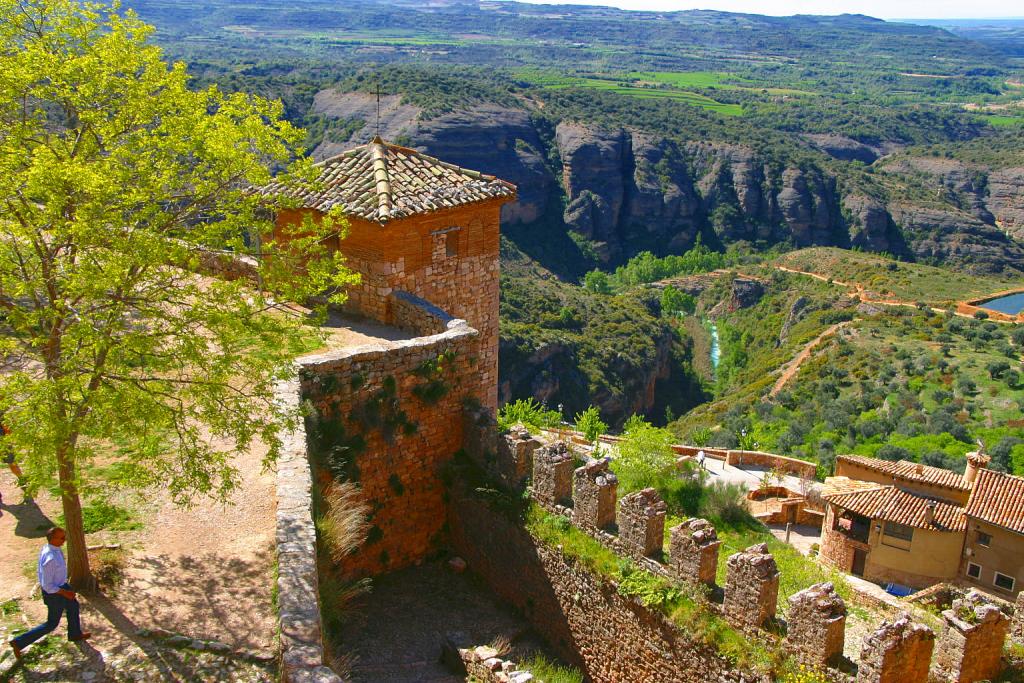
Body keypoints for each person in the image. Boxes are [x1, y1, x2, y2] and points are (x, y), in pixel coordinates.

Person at [8, 527, 91, 659]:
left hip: (62, 586)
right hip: (55, 593)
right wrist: (64, 592)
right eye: (62, 538)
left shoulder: (51, 548)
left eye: (65, 537)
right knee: (52, 623)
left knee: (73, 606)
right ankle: (19, 642)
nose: (65, 540)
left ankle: (75, 634)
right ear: (53, 539)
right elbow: (47, 585)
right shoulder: (50, 558)